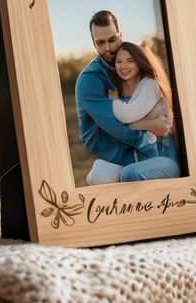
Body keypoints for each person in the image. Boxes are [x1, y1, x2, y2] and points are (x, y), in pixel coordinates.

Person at [75, 11, 179, 184]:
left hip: (151, 150)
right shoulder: (90, 80)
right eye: (100, 43)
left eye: (112, 40)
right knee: (102, 177)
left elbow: (161, 119)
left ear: (120, 36)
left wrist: (159, 127)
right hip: (117, 150)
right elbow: (117, 123)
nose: (107, 48)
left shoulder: (139, 73)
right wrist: (150, 128)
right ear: (94, 43)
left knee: (129, 176)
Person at [104, 41, 181, 182]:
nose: (123, 66)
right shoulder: (126, 93)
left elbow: (126, 116)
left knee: (129, 174)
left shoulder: (150, 84)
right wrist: (149, 123)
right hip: (143, 160)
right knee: (98, 170)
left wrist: (116, 101)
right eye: (118, 61)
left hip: (166, 160)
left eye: (130, 61)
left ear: (139, 62)